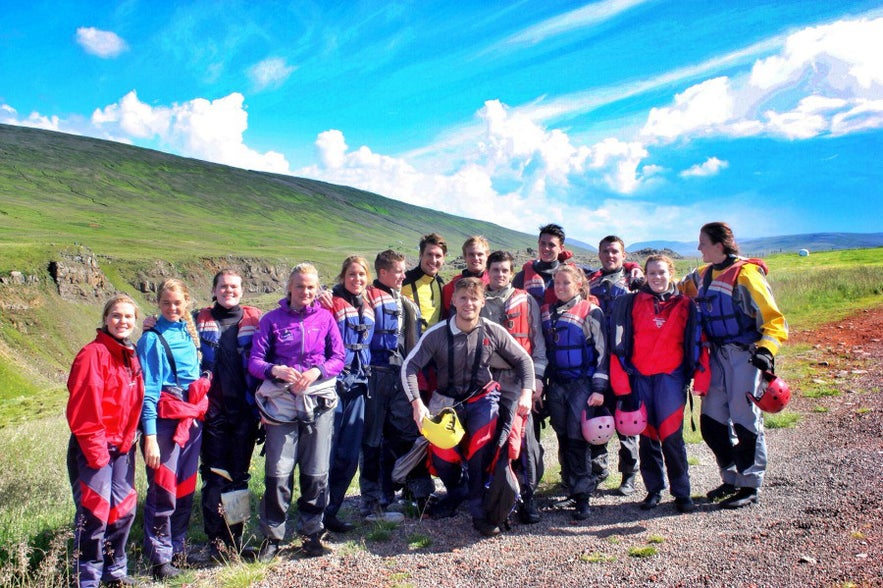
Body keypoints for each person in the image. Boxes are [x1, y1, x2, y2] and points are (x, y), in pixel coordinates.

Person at [402, 278, 534, 537]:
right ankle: (456, 490)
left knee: (481, 445)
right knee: (441, 453)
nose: (468, 304)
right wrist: (417, 404)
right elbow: (409, 367)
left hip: (482, 398)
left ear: (482, 302)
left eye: (474, 298)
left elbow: (524, 361)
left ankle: (479, 507)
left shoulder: (493, 330)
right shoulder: (437, 334)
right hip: (446, 400)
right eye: (463, 298)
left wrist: (526, 393)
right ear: (453, 301)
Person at [679, 222, 788, 509]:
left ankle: (750, 484)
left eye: (702, 242)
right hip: (714, 356)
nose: (698, 247)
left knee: (745, 421)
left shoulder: (747, 274)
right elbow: (676, 288)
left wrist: (766, 350)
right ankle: (731, 477)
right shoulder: (702, 275)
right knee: (711, 423)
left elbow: (774, 320)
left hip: (745, 355)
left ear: (719, 244)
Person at [249, 263, 345, 559]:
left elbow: (338, 357)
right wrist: (274, 369)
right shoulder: (271, 320)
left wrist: (317, 371)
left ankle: (312, 533)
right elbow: (254, 361)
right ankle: (273, 537)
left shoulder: (326, 319)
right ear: (289, 287)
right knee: (278, 472)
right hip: (281, 404)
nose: (306, 291)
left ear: (317, 290)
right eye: (300, 286)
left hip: (318, 401)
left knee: (316, 471)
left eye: (311, 287)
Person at [609, 255, 710, 513]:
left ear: (671, 273)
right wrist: (624, 385)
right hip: (641, 377)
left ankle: (682, 492)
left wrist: (699, 378)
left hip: (671, 378)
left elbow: (699, 343)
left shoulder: (686, 305)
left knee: (672, 437)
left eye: (662, 272)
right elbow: (620, 344)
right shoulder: (632, 303)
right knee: (648, 437)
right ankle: (654, 490)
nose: (657, 277)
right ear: (645, 274)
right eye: (652, 273)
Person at [66, 294, 144, 588]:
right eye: (116, 315)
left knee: (123, 510)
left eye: (128, 317)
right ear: (105, 319)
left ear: (135, 321)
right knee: (94, 513)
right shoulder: (93, 354)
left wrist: (127, 442)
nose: (122, 321)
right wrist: (98, 454)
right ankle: (87, 579)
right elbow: (84, 409)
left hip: (122, 447)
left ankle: (115, 573)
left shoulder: (130, 355)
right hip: (94, 449)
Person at [138, 279, 207, 580]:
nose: (172, 308)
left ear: (187, 302)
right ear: (158, 303)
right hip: (166, 420)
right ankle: (159, 558)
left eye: (177, 303)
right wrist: (150, 437)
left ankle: (177, 546)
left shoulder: (188, 333)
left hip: (191, 418)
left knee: (184, 487)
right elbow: (149, 393)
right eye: (166, 303)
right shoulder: (152, 339)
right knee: (163, 490)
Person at [194, 270, 262, 560]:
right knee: (213, 478)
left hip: (244, 412)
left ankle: (234, 541)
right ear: (214, 289)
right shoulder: (196, 320)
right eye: (223, 286)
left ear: (242, 290)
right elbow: (166, 328)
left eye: (234, 286)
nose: (228, 291)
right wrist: (149, 324)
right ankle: (216, 543)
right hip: (212, 413)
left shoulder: (256, 320)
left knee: (239, 479)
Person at [360, 250, 432, 521]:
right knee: (373, 440)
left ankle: (416, 494)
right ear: (383, 273)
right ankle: (373, 502)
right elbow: (337, 300)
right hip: (375, 375)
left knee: (405, 434)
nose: (404, 275)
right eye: (400, 271)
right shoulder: (365, 297)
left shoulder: (404, 303)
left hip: (401, 375)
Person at [481, 250, 547, 524]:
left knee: (525, 440)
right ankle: (492, 496)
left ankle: (528, 498)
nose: (500, 275)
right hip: (487, 380)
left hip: (521, 378)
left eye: (505, 270)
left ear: (511, 272)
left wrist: (538, 379)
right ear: (488, 271)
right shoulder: (478, 299)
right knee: (489, 440)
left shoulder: (526, 300)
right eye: (495, 270)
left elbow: (538, 342)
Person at [541, 264, 609, 520]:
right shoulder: (547, 313)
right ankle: (570, 485)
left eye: (566, 283)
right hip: (557, 384)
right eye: (556, 283)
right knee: (562, 436)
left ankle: (583, 497)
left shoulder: (591, 311)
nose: (560, 287)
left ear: (579, 285)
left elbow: (603, 353)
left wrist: (599, 388)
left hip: (582, 383)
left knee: (578, 437)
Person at [586, 235, 644, 495]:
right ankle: (598, 471)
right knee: (599, 415)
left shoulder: (634, 283)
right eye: (606, 251)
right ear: (599, 254)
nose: (610, 256)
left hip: (625, 361)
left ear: (623, 255)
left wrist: (636, 270)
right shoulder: (591, 284)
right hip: (596, 360)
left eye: (615, 252)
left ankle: (628, 474)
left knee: (626, 418)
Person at [324, 256, 375, 533]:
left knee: (348, 455)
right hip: (332, 386)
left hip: (359, 387)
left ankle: (332, 510)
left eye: (361, 274)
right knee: (326, 453)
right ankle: (315, 513)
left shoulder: (368, 308)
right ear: (343, 276)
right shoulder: (328, 302)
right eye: (352, 274)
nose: (357, 279)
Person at [513, 223, 569, 307]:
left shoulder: (569, 278)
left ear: (561, 248)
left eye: (551, 245)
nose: (546, 248)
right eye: (543, 243)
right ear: (538, 243)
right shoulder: (523, 276)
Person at [402, 232, 448, 330]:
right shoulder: (403, 281)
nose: (433, 260)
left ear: (444, 258)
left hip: (435, 342)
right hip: (409, 343)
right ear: (421, 255)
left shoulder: (441, 284)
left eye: (438, 256)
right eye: (429, 254)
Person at [441, 235, 491, 318]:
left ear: (487, 256)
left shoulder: (494, 284)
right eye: (471, 254)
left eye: (480, 254)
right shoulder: (452, 286)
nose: (476, 258)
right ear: (465, 256)